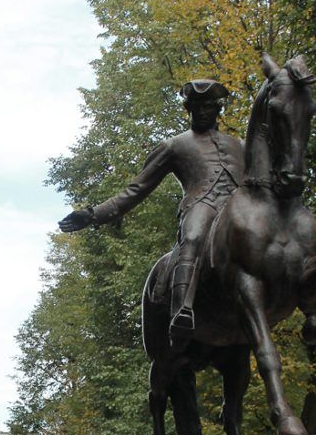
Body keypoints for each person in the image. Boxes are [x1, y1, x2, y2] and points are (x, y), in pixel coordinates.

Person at [59, 79, 245, 343]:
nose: (202, 112)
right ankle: (182, 310)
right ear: (187, 109)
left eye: (208, 106)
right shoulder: (174, 146)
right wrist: (93, 214)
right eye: (196, 106)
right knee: (193, 237)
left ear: (218, 109)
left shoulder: (239, 145)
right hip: (202, 205)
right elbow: (136, 189)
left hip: (240, 210)